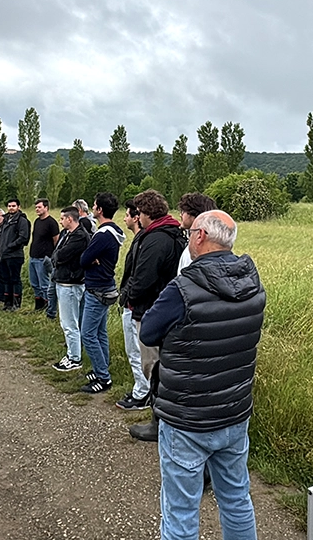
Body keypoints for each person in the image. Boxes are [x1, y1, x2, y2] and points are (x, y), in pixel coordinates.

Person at [140, 210, 264, 540]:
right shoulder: (253, 284)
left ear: (199, 237)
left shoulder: (182, 288)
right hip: (235, 412)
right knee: (236, 498)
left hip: (186, 418)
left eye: (190, 231)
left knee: (181, 510)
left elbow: (149, 332)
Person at [124, 189, 187, 441]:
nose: (137, 217)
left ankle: (159, 423)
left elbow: (143, 278)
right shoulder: (171, 232)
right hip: (162, 308)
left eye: (138, 212)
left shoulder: (156, 239)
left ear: (146, 213)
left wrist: (129, 297)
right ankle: (162, 420)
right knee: (160, 366)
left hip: (150, 309)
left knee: (153, 366)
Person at [78, 192, 125, 393]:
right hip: (105, 286)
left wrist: (90, 258)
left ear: (99, 210)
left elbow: (83, 259)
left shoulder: (103, 234)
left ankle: (103, 378)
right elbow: (90, 258)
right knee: (100, 332)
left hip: (97, 287)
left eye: (95, 205)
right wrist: (91, 258)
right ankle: (101, 368)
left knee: (87, 333)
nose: (93, 208)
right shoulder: (114, 231)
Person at [115, 198, 151, 411]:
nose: (125, 219)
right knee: (136, 351)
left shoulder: (143, 241)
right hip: (133, 303)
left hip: (134, 306)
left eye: (127, 215)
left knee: (136, 351)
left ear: (137, 217)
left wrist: (127, 296)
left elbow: (137, 276)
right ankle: (141, 388)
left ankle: (142, 393)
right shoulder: (141, 240)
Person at [50, 207, 91, 371]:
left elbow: (60, 255)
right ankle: (74, 352)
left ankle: (74, 358)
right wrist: (57, 256)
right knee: (71, 321)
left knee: (69, 323)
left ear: (70, 219)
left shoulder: (79, 237)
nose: (60, 221)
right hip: (65, 280)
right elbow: (55, 254)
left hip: (71, 283)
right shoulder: (68, 235)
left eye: (62, 218)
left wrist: (57, 257)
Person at [0, 198, 32, 311]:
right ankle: (7, 303)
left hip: (15, 255)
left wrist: (10, 246)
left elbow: (23, 237)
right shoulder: (6, 219)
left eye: (13, 206)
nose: (11, 208)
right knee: (6, 279)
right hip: (4, 255)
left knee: (15, 279)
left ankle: (16, 304)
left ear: (18, 207)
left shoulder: (21, 220)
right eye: (9, 206)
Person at [29, 198, 59, 312]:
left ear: (46, 208)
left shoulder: (51, 223)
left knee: (44, 284)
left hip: (43, 258)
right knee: (35, 283)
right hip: (33, 256)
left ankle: (49, 307)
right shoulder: (37, 221)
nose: (37, 209)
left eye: (39, 207)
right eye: (36, 207)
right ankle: (39, 306)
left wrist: (51, 256)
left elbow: (56, 240)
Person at [176, 193, 217, 273]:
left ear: (195, 214)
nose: (180, 215)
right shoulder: (216, 242)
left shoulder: (198, 248)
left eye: (183, 212)